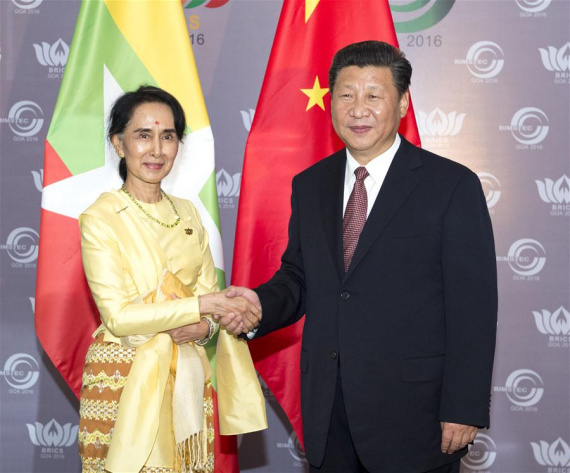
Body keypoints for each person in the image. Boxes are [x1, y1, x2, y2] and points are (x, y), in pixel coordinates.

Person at [220, 41, 497, 472]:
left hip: (416, 417)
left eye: (374, 95)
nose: (358, 109)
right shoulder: (311, 185)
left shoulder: (451, 186)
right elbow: (299, 277)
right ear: (331, 103)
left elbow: (473, 308)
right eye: (347, 95)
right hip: (329, 411)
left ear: (403, 103)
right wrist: (258, 305)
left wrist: (464, 406)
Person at [78, 86, 265, 473]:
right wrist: (201, 308)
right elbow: (119, 318)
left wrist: (203, 326)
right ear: (118, 143)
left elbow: (210, 307)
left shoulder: (188, 214)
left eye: (168, 137)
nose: (157, 150)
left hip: (187, 379)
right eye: (143, 136)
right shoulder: (101, 218)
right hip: (124, 375)